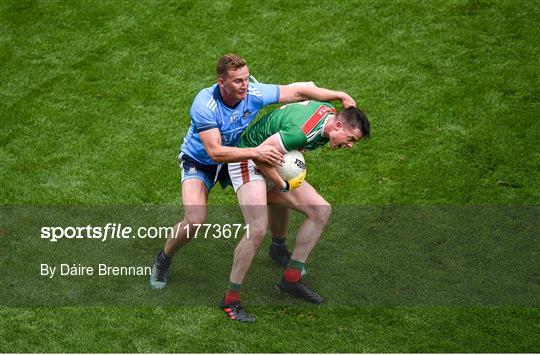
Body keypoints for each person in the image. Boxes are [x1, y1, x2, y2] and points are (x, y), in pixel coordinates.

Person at [150, 54, 357, 289]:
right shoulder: (204, 105)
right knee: (195, 219)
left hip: (241, 155)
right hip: (201, 163)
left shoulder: (252, 93)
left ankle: (278, 246)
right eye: (238, 81)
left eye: (247, 79)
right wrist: (256, 153)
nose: (245, 85)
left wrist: (339, 95)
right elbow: (216, 153)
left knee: (278, 192)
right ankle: (163, 259)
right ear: (221, 83)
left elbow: (300, 90)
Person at [221, 100, 370, 322]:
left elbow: (305, 96)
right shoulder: (299, 134)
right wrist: (281, 185)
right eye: (350, 139)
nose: (349, 145)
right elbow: (260, 157)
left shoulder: (328, 113)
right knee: (258, 229)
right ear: (338, 126)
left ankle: (291, 280)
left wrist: (338, 94)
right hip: (248, 161)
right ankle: (230, 300)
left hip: (275, 160)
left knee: (321, 210)